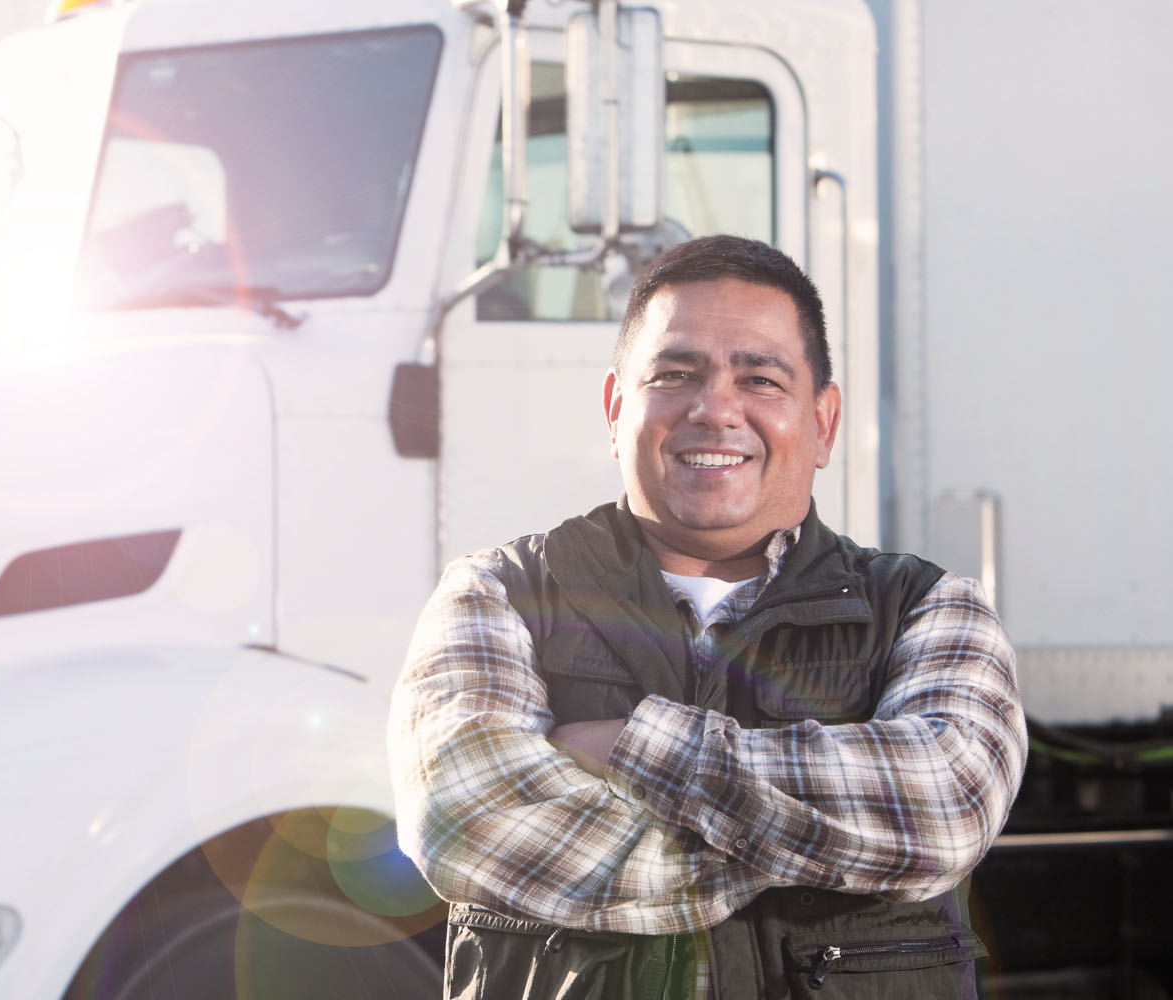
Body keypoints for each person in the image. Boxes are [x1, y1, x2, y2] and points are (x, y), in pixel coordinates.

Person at [387, 235, 1027, 999]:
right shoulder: (496, 595)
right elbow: (468, 820)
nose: (715, 408)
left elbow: (943, 807)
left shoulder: (932, 609)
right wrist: (825, 841)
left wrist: (634, 745)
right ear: (617, 408)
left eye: (759, 378)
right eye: (676, 374)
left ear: (824, 423)